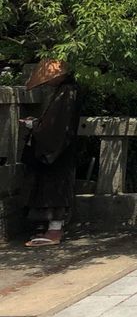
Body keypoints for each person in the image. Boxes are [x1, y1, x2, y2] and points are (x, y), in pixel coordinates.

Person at [22, 59, 81, 247]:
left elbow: (57, 126)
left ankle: (54, 231)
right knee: (52, 188)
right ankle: (51, 229)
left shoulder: (68, 92)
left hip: (58, 151)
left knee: (56, 189)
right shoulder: (66, 91)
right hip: (60, 149)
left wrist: (35, 126)